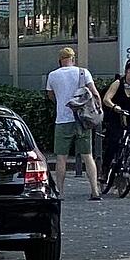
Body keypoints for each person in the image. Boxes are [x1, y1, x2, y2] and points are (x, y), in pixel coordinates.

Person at [43, 45, 101, 200]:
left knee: (61, 157)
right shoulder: (83, 72)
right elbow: (95, 94)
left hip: (62, 120)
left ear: (60, 60)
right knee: (87, 156)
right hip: (82, 120)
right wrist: (98, 110)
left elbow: (50, 95)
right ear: (73, 59)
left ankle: (61, 192)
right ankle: (95, 191)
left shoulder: (53, 75)